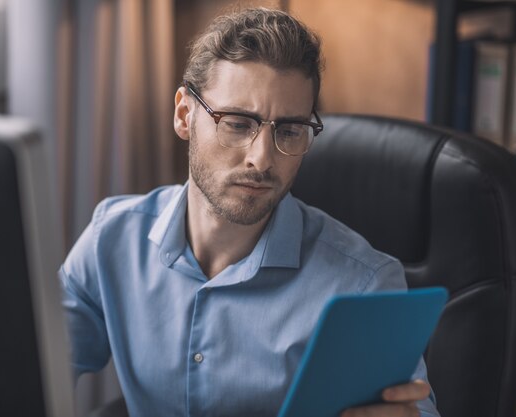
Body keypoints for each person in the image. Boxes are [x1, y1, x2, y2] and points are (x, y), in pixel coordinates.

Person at [60, 7, 440, 417]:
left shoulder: (363, 285)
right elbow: (25, 372)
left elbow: (413, 410)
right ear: (184, 114)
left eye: (290, 130)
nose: (261, 159)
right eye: (238, 123)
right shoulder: (112, 239)